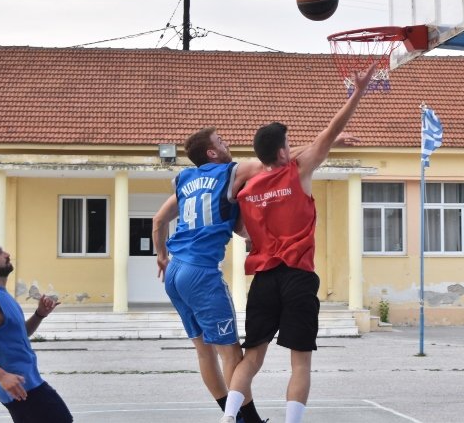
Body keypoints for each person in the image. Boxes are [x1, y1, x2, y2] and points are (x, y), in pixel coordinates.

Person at [221, 62, 377, 423]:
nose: (292, 149)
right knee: (300, 361)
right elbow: (329, 130)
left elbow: (242, 229)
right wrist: (358, 92)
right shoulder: (297, 173)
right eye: (288, 145)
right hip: (297, 275)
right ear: (281, 153)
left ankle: (228, 418)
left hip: (263, 279)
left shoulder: (248, 189)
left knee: (253, 356)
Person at [152, 127, 265, 423]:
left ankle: (233, 415)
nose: (227, 144)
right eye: (221, 142)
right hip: (201, 273)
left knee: (204, 352)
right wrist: (321, 143)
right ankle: (248, 420)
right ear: (212, 153)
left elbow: (159, 219)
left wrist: (161, 256)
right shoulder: (229, 171)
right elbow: (272, 159)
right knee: (231, 353)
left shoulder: (184, 179)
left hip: (175, 269)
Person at [0, 237, 73, 423]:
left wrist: (39, 315)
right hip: (21, 388)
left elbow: (18, 336)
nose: (6, 254)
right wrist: (1, 375)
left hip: (27, 383)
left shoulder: (1, 294)